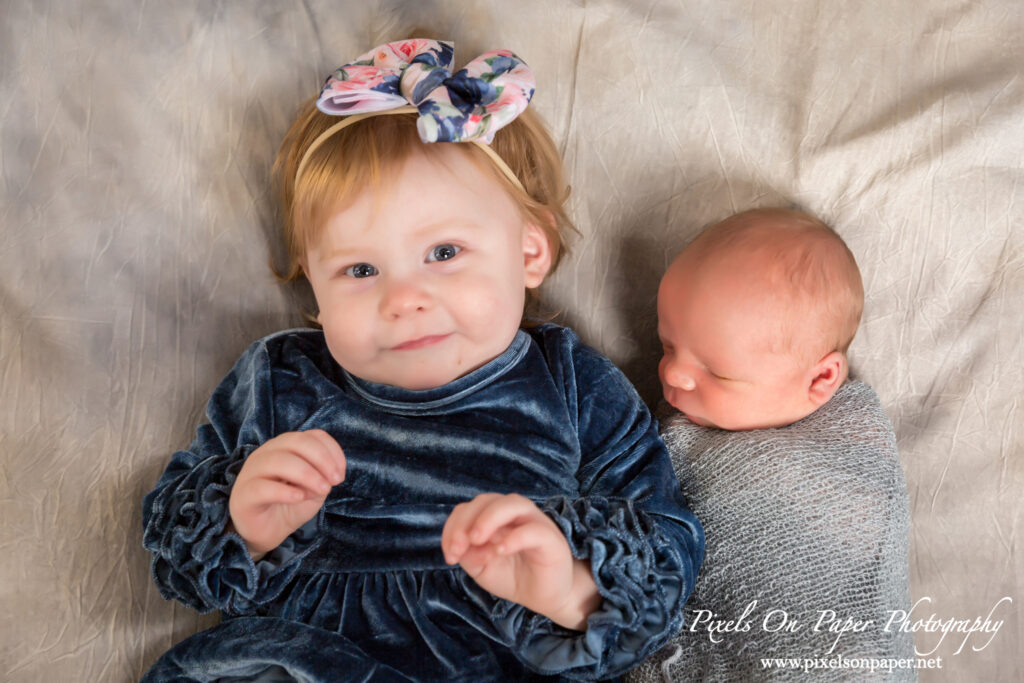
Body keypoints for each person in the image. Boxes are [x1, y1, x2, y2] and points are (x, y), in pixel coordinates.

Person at [141, 38, 704, 682]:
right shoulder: (280, 380)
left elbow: (664, 543)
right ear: (314, 295)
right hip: (311, 654)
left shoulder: (572, 384)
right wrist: (244, 520)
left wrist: (568, 589)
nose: (404, 299)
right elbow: (178, 553)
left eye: (444, 253)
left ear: (527, 253)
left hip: (506, 655)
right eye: (359, 269)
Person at [629, 208, 914, 682]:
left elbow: (864, 554)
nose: (673, 374)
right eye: (667, 345)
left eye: (717, 372)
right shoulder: (667, 433)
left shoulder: (853, 441)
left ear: (821, 379)